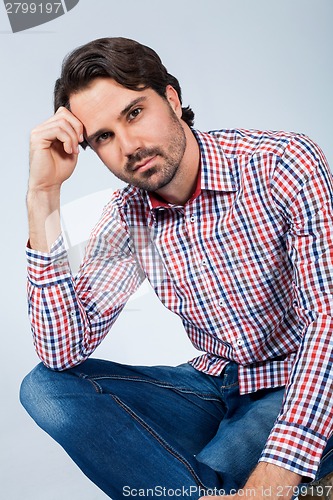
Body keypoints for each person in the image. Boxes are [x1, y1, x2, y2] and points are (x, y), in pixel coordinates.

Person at [20, 37, 333, 500]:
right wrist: (42, 194)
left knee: (224, 479)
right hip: (212, 386)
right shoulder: (129, 217)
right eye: (103, 137)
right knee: (44, 389)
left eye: (133, 113)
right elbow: (61, 351)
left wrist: (272, 478)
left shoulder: (281, 166)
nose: (128, 145)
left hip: (299, 380)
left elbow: (327, 323)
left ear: (171, 98)